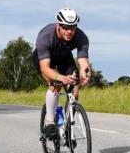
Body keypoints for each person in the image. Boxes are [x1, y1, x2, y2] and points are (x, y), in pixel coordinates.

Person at [32, 8, 91, 142]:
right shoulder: (45, 36)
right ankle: (50, 122)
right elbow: (45, 68)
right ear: (58, 25)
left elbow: (84, 62)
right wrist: (60, 78)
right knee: (56, 85)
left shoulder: (81, 37)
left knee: (75, 91)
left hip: (64, 58)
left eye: (72, 27)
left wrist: (85, 73)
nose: (69, 31)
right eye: (65, 27)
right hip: (45, 60)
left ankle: (66, 126)